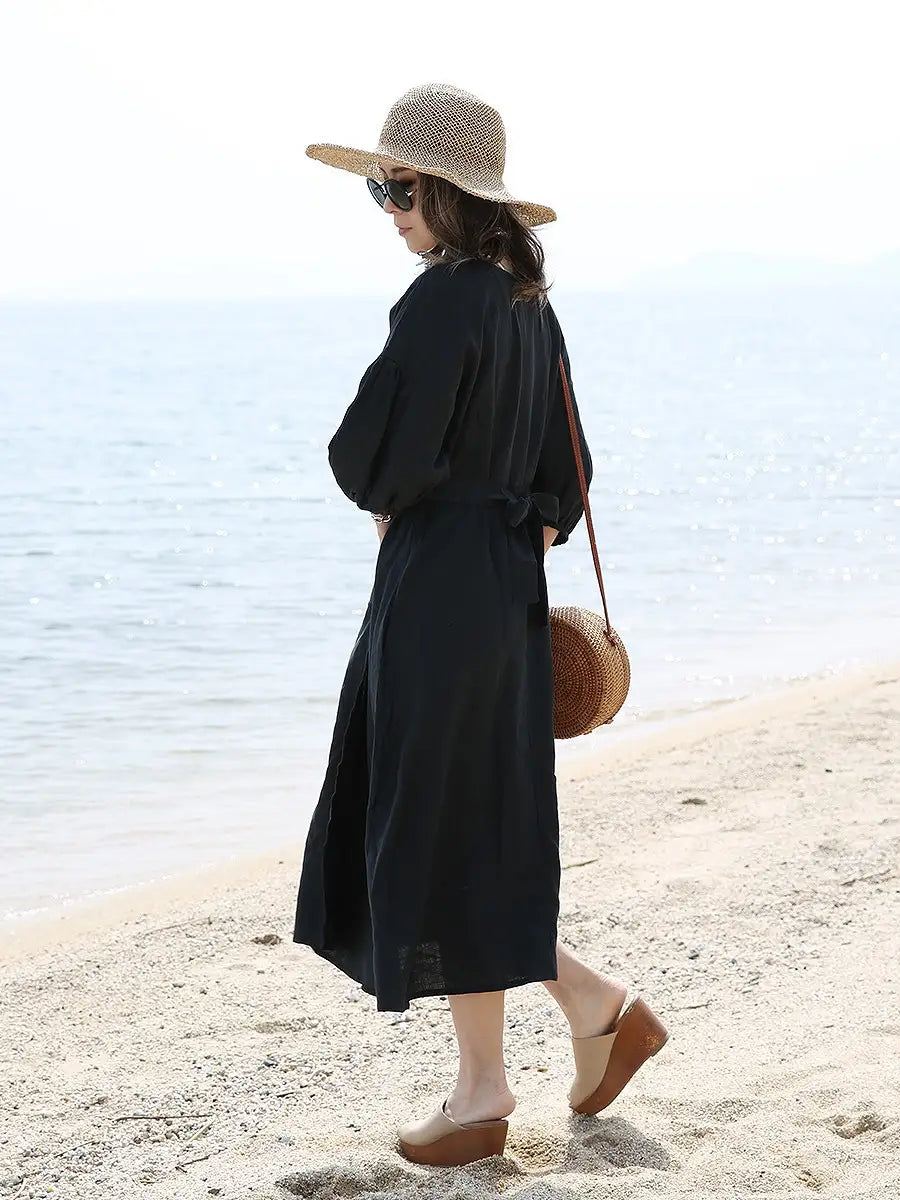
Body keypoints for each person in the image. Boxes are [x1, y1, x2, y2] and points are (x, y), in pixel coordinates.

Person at [293, 82, 668, 1168]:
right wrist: (506, 531)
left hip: (435, 590)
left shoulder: (441, 301)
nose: (388, 210)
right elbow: (568, 476)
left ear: (450, 192)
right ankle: (583, 1015)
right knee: (481, 823)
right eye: (379, 190)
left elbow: (370, 460)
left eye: (398, 189)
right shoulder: (527, 303)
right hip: (504, 590)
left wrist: (410, 510)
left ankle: (492, 1083)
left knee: (439, 823)